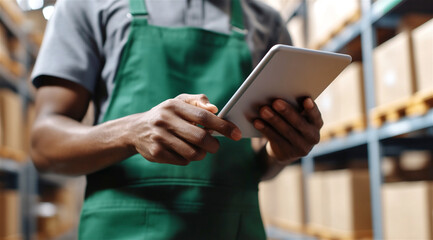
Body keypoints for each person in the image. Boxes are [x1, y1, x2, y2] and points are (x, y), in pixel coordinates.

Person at [30, 0, 323, 239]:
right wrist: (130, 132)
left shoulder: (266, 22)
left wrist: (279, 154)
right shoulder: (87, 6)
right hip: (121, 229)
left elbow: (256, 162)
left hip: (232, 227)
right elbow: (44, 145)